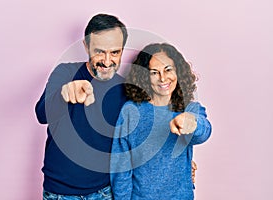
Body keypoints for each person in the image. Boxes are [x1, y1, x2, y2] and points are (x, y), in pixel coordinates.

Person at [35, 13, 197, 199]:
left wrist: (179, 166)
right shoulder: (65, 72)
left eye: (115, 52)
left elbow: (143, 138)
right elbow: (41, 114)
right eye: (99, 51)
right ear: (86, 46)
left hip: (105, 192)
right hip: (60, 192)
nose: (107, 60)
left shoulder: (127, 90)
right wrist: (65, 94)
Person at [110, 43, 212, 199]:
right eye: (154, 72)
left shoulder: (189, 108)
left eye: (168, 70)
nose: (163, 78)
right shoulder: (131, 111)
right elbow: (121, 165)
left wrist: (192, 123)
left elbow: (203, 133)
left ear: (178, 71)